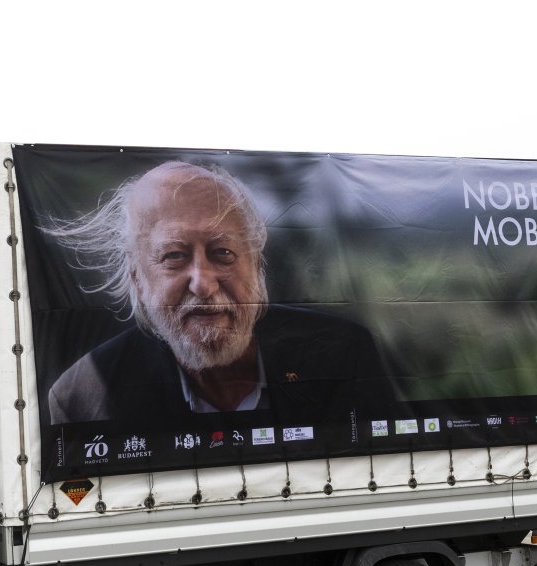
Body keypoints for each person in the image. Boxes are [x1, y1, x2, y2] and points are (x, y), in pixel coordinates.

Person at [45, 160, 395, 438]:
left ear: (256, 265)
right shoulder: (84, 396)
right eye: (174, 256)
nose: (203, 283)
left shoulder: (342, 354)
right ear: (138, 279)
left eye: (223, 252)